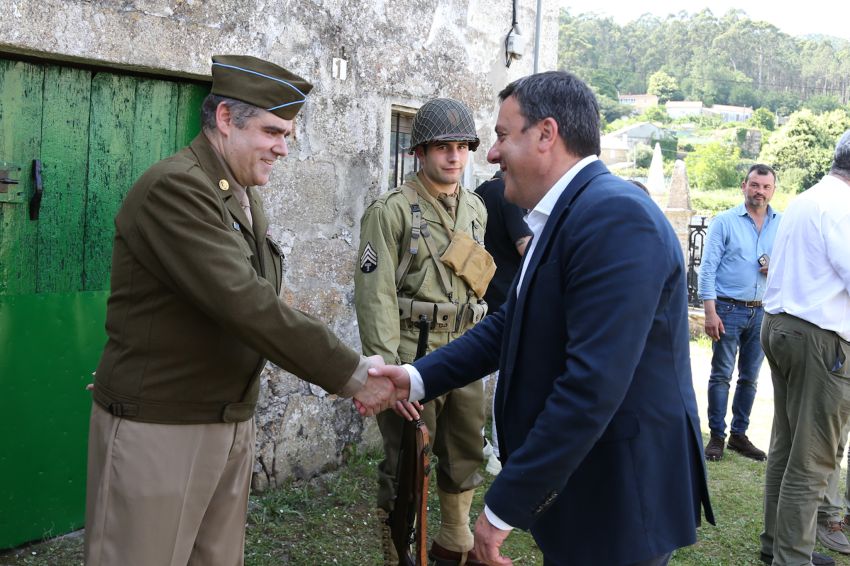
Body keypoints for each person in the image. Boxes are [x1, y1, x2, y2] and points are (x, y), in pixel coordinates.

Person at [363, 71, 714, 565]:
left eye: (503, 136)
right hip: (588, 482)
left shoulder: (616, 218)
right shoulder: (568, 213)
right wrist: (416, 377)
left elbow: (592, 384)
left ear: (546, 135)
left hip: (618, 492)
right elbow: (512, 323)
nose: (489, 153)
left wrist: (503, 508)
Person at [84, 55, 394, 566]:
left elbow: (258, 300)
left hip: (225, 420)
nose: (283, 148)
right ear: (226, 119)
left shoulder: (240, 194)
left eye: (289, 135)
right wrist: (353, 373)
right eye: (273, 131)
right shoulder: (176, 188)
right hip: (164, 426)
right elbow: (248, 305)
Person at [354, 98, 492, 565]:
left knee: (466, 451)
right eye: (441, 147)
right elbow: (375, 295)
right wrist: (385, 368)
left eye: (461, 146)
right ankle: (398, 553)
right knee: (408, 461)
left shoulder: (475, 208)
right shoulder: (390, 211)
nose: (453, 156)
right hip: (413, 355)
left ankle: (454, 544)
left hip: (466, 351)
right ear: (419, 152)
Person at [759, 130, 850, 566]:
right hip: (819, 338)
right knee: (812, 459)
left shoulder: (808, 197)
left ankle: (777, 544)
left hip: (780, 326)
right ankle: (792, 558)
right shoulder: (844, 206)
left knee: (786, 444)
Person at [698, 164, 780, 462]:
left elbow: (793, 264)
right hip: (727, 308)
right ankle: (716, 436)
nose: (759, 191)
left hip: (762, 312)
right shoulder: (725, 221)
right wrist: (710, 312)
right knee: (721, 375)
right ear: (744, 185)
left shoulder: (781, 223)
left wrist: (776, 268)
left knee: (750, 378)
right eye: (755, 185)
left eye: (765, 187)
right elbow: (707, 268)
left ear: (773, 190)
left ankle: (739, 436)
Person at [475, 171, 532, 474]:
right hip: (504, 297)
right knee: (506, 376)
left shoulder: (479, 192)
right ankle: (500, 450)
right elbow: (525, 246)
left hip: (479, 292)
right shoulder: (508, 196)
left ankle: (477, 440)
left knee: (477, 375)